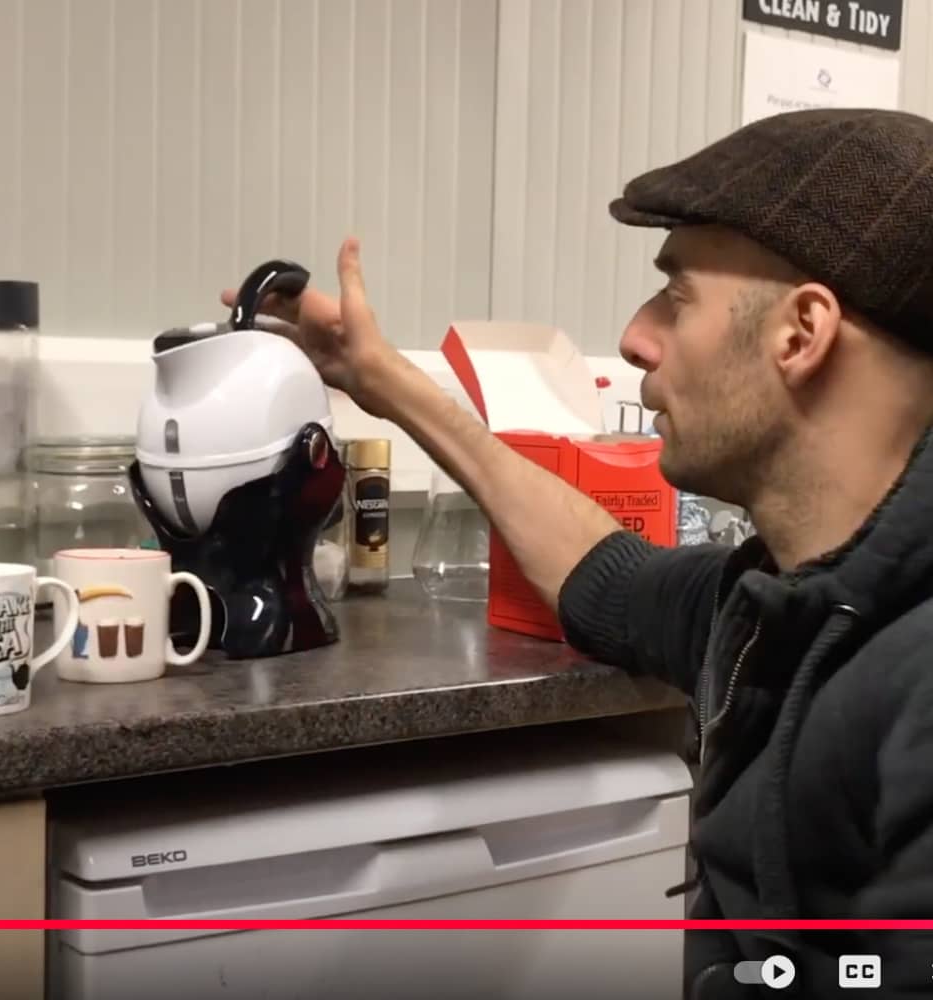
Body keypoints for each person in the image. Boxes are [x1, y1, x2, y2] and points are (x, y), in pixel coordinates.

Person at [224, 108, 933, 998]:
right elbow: (599, 569)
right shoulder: (774, 603)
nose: (637, 335)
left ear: (802, 333)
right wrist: (386, 384)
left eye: (676, 297)